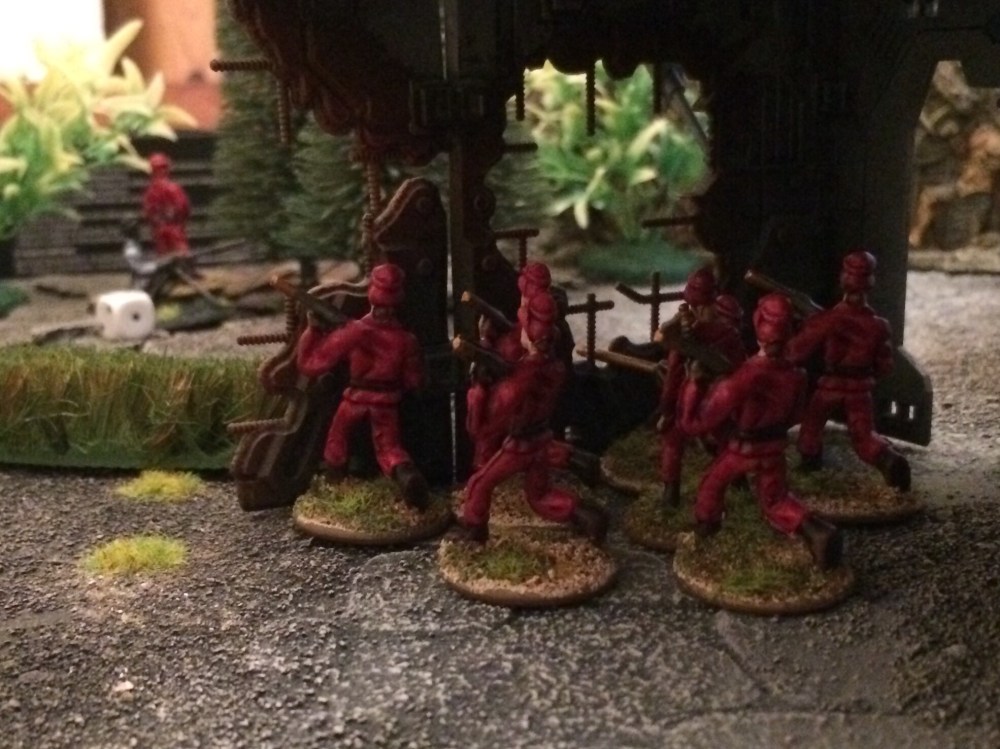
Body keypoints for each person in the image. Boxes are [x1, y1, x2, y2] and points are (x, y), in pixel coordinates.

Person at [679, 293, 842, 570]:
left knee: (711, 486)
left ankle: (706, 529)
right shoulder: (797, 375)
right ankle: (818, 531)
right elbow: (795, 416)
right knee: (776, 501)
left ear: (757, 328)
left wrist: (694, 385)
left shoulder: (743, 377)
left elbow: (694, 424)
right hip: (774, 451)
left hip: (742, 450)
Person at [457, 291, 607, 544]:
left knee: (479, 485)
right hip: (541, 437)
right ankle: (589, 516)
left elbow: (486, 424)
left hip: (519, 444)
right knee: (539, 496)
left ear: (528, 334)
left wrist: (479, 389)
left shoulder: (519, 379)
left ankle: (475, 533)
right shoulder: (553, 366)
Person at [295, 262, 429, 509]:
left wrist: (313, 330)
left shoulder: (355, 331)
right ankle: (406, 475)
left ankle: (334, 480)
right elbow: (413, 381)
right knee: (390, 448)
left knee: (337, 438)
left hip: (355, 398)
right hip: (387, 401)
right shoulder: (406, 340)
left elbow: (314, 362)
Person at [786, 250, 911, 490]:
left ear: (844, 279)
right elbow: (884, 366)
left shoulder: (829, 320)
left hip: (830, 385)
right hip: (860, 389)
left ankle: (810, 460)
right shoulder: (879, 326)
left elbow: (797, 350)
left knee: (812, 424)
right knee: (864, 435)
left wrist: (799, 330)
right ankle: (888, 459)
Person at [655, 268, 746, 508]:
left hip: (699, 399)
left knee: (674, 440)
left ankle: (671, 491)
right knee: (726, 440)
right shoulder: (724, 335)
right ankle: (739, 481)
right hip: (717, 401)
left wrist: (667, 411)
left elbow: (673, 377)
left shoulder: (692, 337)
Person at [142, 153, 191, 257]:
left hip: (159, 231)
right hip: (175, 229)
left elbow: (148, 213)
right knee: (181, 257)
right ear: (166, 169)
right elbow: (184, 208)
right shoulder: (174, 188)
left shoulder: (149, 192)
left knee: (164, 259)